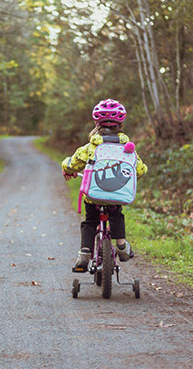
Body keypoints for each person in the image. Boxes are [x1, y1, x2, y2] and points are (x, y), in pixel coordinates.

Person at [61, 99, 148, 273]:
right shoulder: (127, 148)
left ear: (96, 123)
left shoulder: (91, 147)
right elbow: (140, 169)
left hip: (93, 197)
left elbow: (73, 163)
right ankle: (122, 246)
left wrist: (66, 167)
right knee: (117, 215)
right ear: (121, 124)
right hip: (116, 196)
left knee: (90, 222)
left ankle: (84, 253)